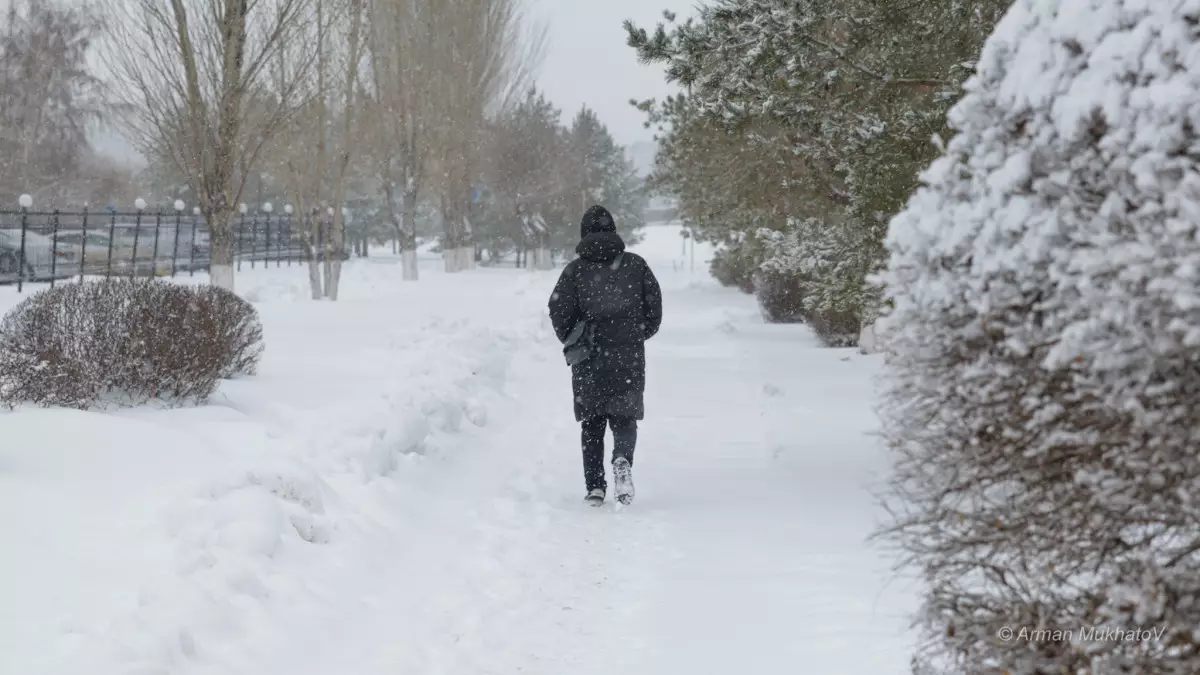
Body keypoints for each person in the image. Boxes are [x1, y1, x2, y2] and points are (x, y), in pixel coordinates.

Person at [548, 205, 663, 505]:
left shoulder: (574, 271)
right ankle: (622, 459)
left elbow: (558, 310)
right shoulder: (636, 265)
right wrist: (636, 335)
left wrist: (575, 338)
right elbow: (654, 309)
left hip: (589, 357)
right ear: (612, 229)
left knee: (592, 421)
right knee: (624, 417)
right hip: (629, 356)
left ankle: (595, 487)